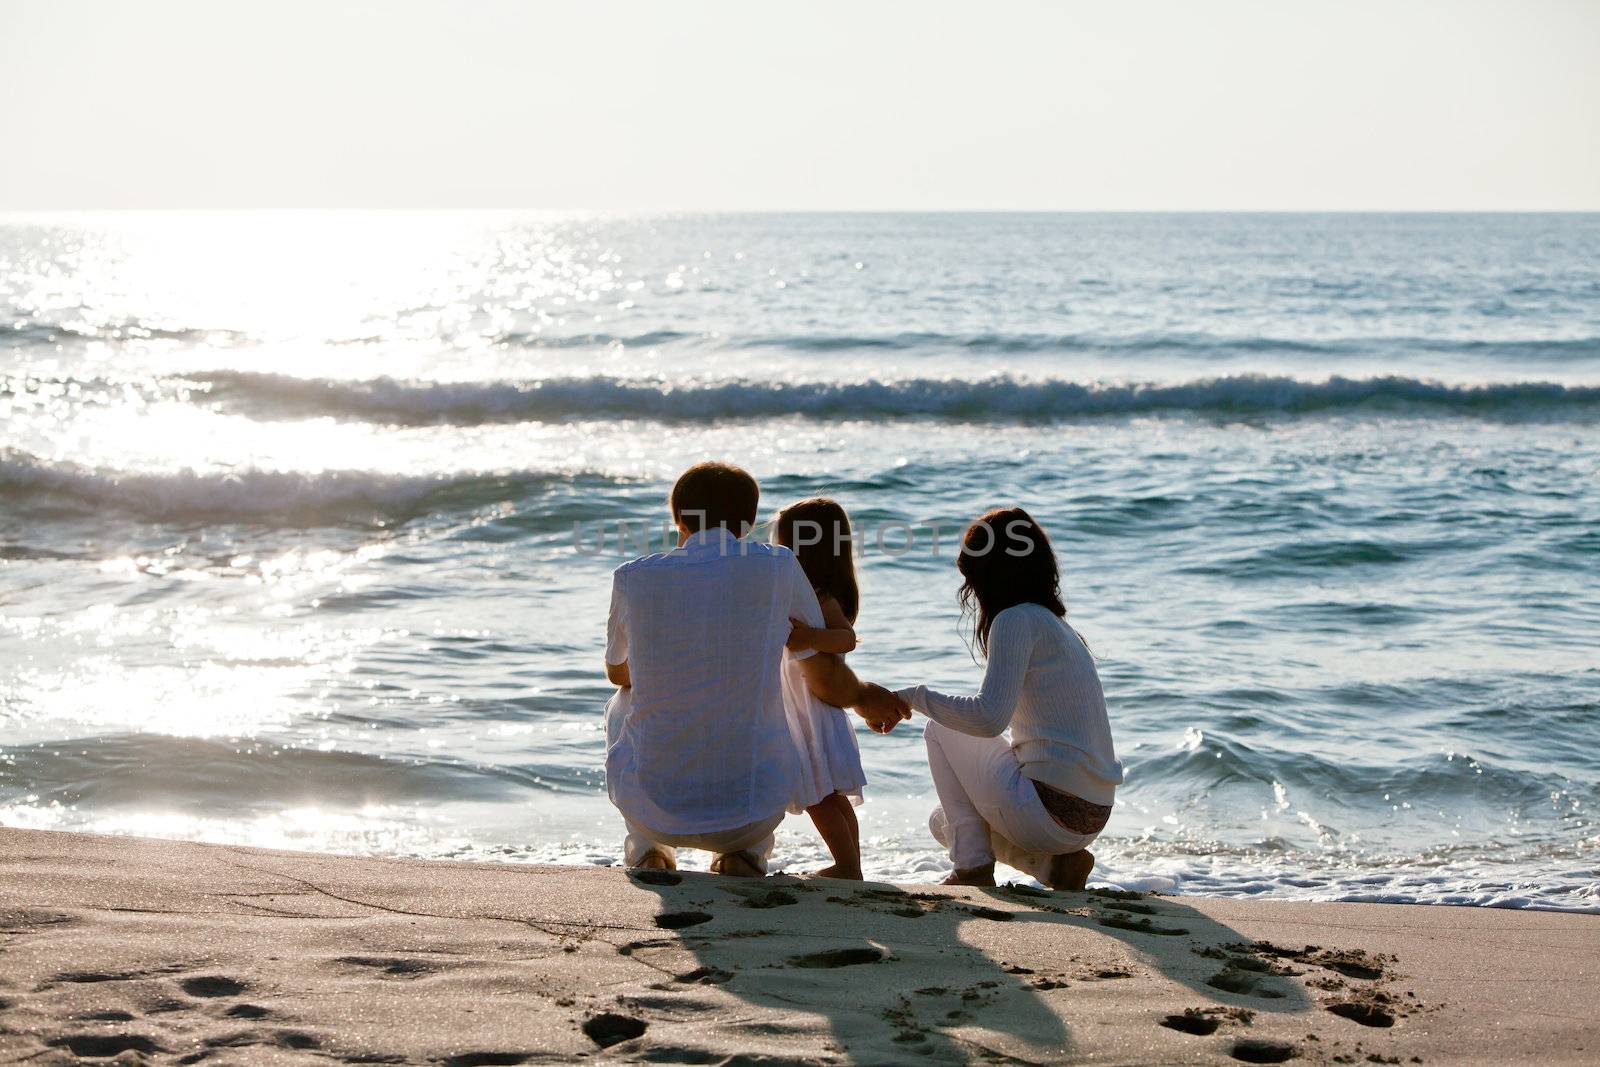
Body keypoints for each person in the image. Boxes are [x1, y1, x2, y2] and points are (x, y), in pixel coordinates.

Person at [603, 462, 908, 876]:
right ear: (748, 523)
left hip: (653, 813)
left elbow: (619, 674)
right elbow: (818, 657)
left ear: (678, 520)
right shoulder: (779, 565)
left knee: (623, 701)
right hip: (752, 813)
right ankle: (744, 854)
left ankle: (648, 848)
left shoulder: (632, 576)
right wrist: (860, 696)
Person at [892, 508, 1122, 890]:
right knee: (942, 822)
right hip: (1091, 814)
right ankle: (1052, 869)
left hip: (1050, 812)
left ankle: (971, 869)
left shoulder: (1015, 619)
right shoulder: (1058, 627)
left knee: (938, 729)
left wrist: (913, 698)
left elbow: (988, 719)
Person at [774, 497, 868, 880]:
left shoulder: (823, 595)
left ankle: (847, 866)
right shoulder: (802, 592)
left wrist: (811, 636)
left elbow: (846, 639)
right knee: (828, 794)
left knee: (819, 794)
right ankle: (851, 865)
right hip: (808, 705)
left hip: (814, 709)